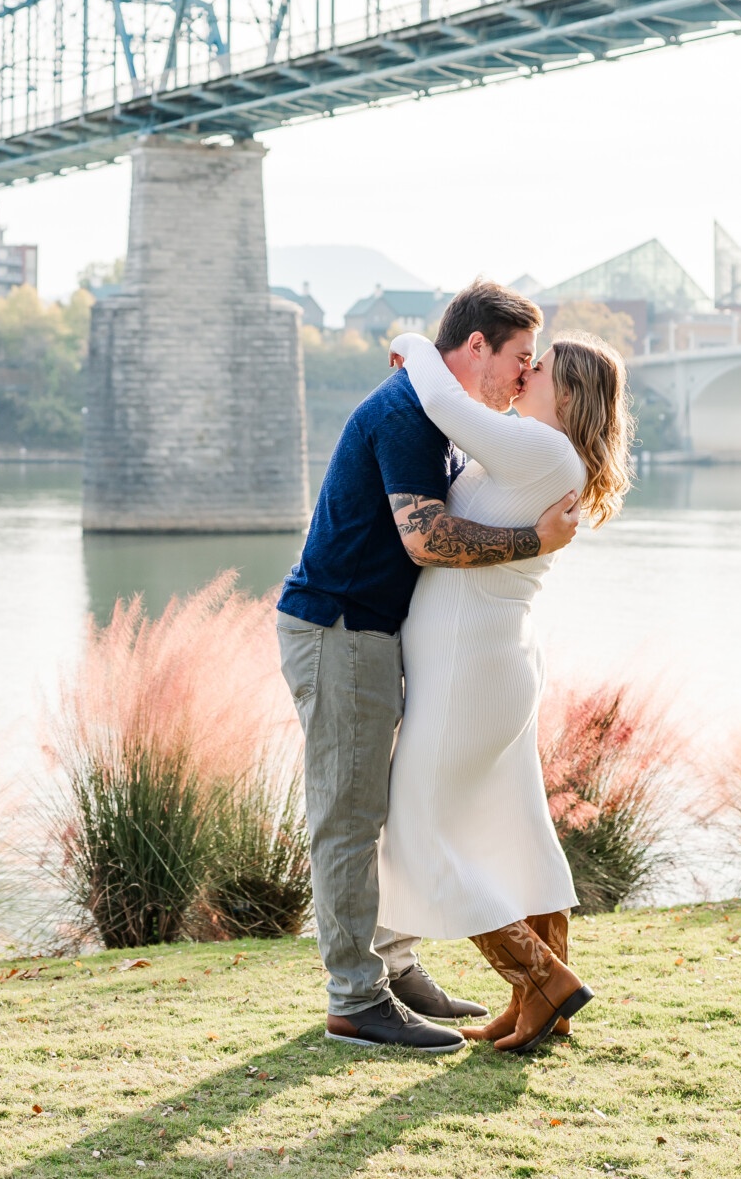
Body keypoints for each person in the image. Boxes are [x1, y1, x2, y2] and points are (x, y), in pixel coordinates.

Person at [274, 281, 582, 1053]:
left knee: (389, 808)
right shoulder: (410, 413)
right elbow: (427, 538)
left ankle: (397, 966)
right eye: (518, 357)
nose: (523, 372)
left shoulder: (445, 418)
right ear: (476, 346)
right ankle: (356, 997)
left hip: (380, 635)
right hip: (343, 629)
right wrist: (534, 542)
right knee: (351, 814)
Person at [378, 325, 635, 1053]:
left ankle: (544, 976)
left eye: (540, 365)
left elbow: (442, 401)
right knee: (519, 832)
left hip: (472, 670)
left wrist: (411, 341)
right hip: (488, 664)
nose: (526, 370)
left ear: (571, 389)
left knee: (418, 833)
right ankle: (536, 1002)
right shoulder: (542, 451)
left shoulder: (545, 449)